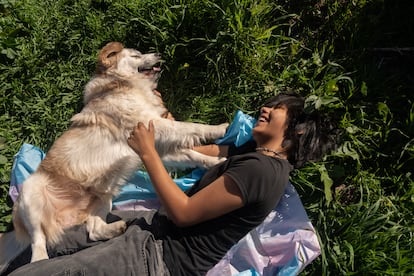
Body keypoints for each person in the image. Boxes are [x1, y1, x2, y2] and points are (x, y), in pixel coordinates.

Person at [4, 92, 337, 276]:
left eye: (277, 109)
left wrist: (148, 152)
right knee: (45, 246)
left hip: (159, 259)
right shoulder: (256, 156)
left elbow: (185, 213)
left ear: (298, 133)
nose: (264, 108)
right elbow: (200, 150)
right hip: (149, 232)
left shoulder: (263, 172)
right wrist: (162, 125)